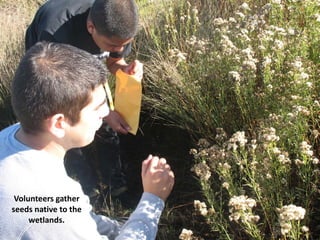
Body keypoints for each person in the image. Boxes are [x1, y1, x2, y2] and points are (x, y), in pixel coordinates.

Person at [0, 41, 174, 239]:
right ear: (58, 123)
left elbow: (73, 218)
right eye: (98, 106)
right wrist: (153, 199)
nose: (106, 112)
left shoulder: (11, 137)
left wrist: (122, 227)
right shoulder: (48, 201)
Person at [25, 0, 144, 199]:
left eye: (123, 45)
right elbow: (63, 90)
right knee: (65, 125)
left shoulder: (118, 23)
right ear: (91, 27)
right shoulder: (54, 32)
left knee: (103, 120)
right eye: (113, 45)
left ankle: (115, 183)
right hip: (51, 70)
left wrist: (123, 68)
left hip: (84, 65)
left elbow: (113, 60)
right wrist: (105, 113)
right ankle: (85, 187)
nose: (118, 49)